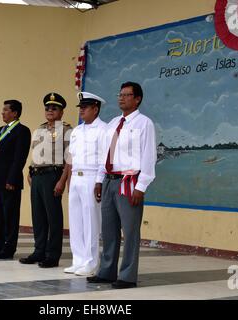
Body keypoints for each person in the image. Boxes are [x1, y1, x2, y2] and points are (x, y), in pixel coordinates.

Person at [87, 82, 156, 289]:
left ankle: (127, 276)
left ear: (137, 99)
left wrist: (141, 186)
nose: (121, 98)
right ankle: (107, 272)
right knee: (108, 230)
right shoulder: (113, 123)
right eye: (120, 94)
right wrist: (99, 180)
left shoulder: (145, 124)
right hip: (109, 181)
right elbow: (105, 155)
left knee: (130, 231)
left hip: (129, 183)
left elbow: (149, 157)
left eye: (127, 95)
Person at [19, 93, 72, 268]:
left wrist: (62, 181)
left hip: (53, 175)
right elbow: (35, 153)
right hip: (37, 176)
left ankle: (52, 254)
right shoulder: (39, 129)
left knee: (53, 216)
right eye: (47, 108)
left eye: (54, 108)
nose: (50, 111)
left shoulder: (66, 130)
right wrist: (30, 170)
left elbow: (69, 159)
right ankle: (39, 250)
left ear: (61, 111)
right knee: (38, 216)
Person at [0, 100, 31, 259]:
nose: (2, 113)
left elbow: (19, 158)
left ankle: (9, 248)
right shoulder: (0, 130)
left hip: (9, 181)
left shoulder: (22, 131)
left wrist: (12, 179)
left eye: (6, 110)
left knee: (10, 215)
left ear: (15, 113)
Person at [64, 92, 107, 276]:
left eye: (85, 107)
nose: (81, 110)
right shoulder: (77, 131)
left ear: (95, 109)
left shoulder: (104, 129)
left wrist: (99, 181)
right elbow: (71, 157)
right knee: (76, 220)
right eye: (80, 107)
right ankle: (78, 260)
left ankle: (91, 262)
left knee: (91, 221)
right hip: (76, 176)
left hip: (91, 177)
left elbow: (105, 159)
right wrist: (68, 179)